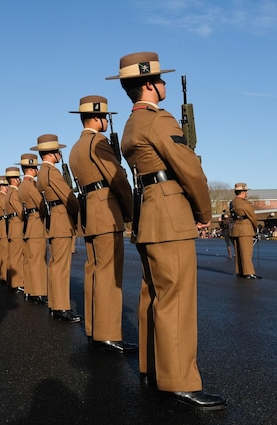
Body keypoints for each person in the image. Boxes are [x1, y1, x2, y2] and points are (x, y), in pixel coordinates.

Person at [107, 51, 226, 409]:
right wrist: (203, 210)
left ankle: (153, 367)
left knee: (154, 295)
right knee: (176, 299)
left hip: (149, 215)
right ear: (148, 84)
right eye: (160, 79)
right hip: (170, 214)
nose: (164, 84)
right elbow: (189, 168)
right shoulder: (160, 121)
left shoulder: (133, 123)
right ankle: (179, 381)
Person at [68, 96, 135, 351]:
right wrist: (130, 211)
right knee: (109, 275)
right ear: (96, 118)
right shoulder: (98, 142)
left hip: (90, 212)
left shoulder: (76, 147)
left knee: (93, 272)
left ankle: (94, 329)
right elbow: (116, 178)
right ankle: (108, 334)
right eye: (104, 116)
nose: (106, 121)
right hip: (107, 211)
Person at [32, 135, 82, 322]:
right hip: (62, 221)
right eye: (58, 151)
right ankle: (61, 307)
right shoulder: (52, 172)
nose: (60, 154)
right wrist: (80, 213)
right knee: (61, 266)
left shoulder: (41, 174)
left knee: (55, 265)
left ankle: (54, 304)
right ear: (52, 154)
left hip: (54, 220)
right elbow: (68, 197)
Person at [16, 153, 48, 304]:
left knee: (30, 260)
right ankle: (38, 291)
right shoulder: (30, 185)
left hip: (29, 223)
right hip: (36, 224)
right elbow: (41, 203)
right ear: (33, 169)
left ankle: (29, 289)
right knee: (37, 260)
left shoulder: (22, 186)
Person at [230, 183, 261, 279]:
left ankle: (240, 270)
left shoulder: (232, 202)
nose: (246, 193)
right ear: (243, 192)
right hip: (245, 228)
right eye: (246, 191)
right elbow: (252, 216)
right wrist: (256, 227)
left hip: (236, 228)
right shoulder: (244, 203)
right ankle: (248, 272)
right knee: (246, 252)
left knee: (239, 251)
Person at [4, 167, 25, 292]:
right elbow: (20, 212)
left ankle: (14, 282)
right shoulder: (13, 193)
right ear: (14, 179)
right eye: (18, 178)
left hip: (12, 226)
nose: (20, 180)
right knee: (17, 257)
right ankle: (17, 282)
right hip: (17, 226)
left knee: (14, 256)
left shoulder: (8, 194)